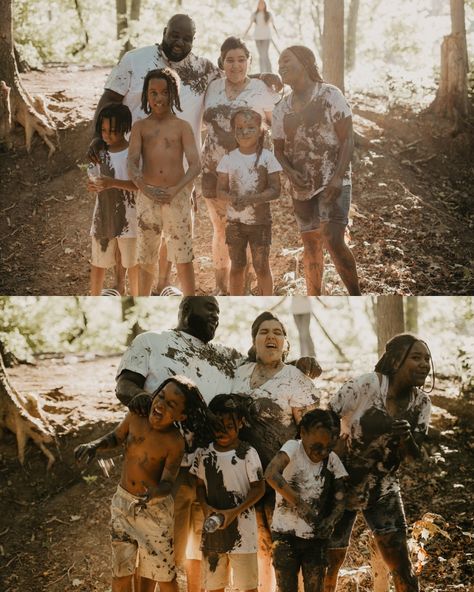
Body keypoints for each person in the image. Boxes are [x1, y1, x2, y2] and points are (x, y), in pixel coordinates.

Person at [115, 298, 320, 592]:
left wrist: (299, 363)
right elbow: (125, 384)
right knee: (159, 550)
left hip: (214, 470)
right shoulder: (152, 341)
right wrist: (140, 399)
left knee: (204, 551)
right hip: (164, 469)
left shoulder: (226, 356)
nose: (216, 317)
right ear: (185, 311)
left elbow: (265, 359)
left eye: (219, 313)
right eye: (209, 310)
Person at [87, 14, 220, 293]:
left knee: (174, 233)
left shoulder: (204, 69)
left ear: (193, 41)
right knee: (130, 226)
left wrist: (261, 80)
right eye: (174, 35)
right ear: (164, 32)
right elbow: (109, 99)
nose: (179, 42)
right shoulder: (135, 60)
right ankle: (122, 288)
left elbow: (233, 81)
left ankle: (165, 286)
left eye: (186, 38)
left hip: (179, 169)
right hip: (132, 163)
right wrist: (99, 138)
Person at [74, 376, 213, 592]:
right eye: (160, 396)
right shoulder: (135, 418)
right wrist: (95, 445)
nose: (161, 405)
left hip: (154, 512)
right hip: (123, 505)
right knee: (121, 571)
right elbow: (116, 437)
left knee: (164, 576)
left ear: (181, 416)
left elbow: (168, 481)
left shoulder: (175, 442)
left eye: (171, 405)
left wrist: (156, 493)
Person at [325, 334, 433, 592]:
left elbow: (414, 458)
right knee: (329, 562)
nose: (424, 365)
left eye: (427, 359)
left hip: (383, 487)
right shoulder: (366, 385)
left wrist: (406, 439)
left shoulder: (422, 404)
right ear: (396, 360)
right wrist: (333, 451)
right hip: (341, 482)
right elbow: (326, 417)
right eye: (416, 357)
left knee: (400, 564)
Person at [231, 311, 321, 592]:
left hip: (282, 477)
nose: (271, 336)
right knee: (255, 545)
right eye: (263, 332)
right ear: (254, 340)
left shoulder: (296, 379)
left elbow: (312, 435)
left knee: (285, 549)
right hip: (244, 478)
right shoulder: (238, 372)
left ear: (285, 343)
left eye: (278, 332)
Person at [272, 46, 361, 296]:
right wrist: (290, 173)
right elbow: (278, 150)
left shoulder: (330, 95)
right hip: (300, 188)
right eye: (279, 63)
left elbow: (348, 140)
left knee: (333, 239)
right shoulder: (281, 109)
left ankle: (355, 294)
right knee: (310, 245)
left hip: (333, 181)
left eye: (286, 60)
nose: (281, 66)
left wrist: (337, 178)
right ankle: (314, 296)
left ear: (306, 62)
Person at [202, 36, 279, 295]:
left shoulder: (260, 89)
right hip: (213, 169)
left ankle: (243, 288)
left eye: (241, 60)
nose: (235, 65)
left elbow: (274, 127)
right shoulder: (212, 87)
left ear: (249, 61)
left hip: (249, 173)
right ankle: (221, 287)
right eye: (230, 60)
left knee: (246, 227)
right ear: (222, 62)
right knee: (221, 227)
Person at [127, 68, 201, 296]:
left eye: (164, 92)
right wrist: (143, 187)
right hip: (147, 196)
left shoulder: (182, 127)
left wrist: (177, 189)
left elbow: (195, 164)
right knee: (146, 256)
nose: (159, 98)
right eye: (153, 93)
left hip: (176, 196)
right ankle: (143, 301)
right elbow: (131, 162)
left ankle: (190, 299)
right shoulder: (140, 127)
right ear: (146, 96)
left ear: (174, 94)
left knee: (183, 254)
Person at [265, 409, 348, 592]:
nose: (322, 452)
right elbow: (271, 474)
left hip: (315, 538)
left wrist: (331, 520)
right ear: (303, 433)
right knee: (286, 587)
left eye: (328, 447)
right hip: (284, 534)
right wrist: (301, 505)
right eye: (317, 446)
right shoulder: (293, 448)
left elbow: (341, 497)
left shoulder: (332, 461)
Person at [191, 394, 265, 592]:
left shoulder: (247, 453)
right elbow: (199, 485)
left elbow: (259, 488)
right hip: (213, 534)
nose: (222, 431)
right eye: (217, 426)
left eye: (229, 426)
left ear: (240, 423)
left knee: (247, 587)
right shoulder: (203, 453)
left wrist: (234, 511)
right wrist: (206, 508)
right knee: (214, 586)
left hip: (243, 533)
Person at [216, 108, 282, 295]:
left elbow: (276, 189)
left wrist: (253, 198)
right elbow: (220, 191)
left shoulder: (268, 158)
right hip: (235, 223)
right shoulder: (228, 158)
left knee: (261, 266)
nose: (244, 132)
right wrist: (233, 198)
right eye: (239, 128)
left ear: (261, 130)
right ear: (233, 130)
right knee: (237, 265)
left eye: (250, 127)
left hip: (260, 222)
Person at [87, 103, 138, 296]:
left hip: (130, 219)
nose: (107, 135)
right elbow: (92, 179)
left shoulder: (132, 153)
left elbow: (139, 186)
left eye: (113, 131)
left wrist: (113, 183)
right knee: (98, 262)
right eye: (104, 130)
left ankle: (136, 297)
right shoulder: (98, 154)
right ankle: (95, 296)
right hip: (104, 216)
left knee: (133, 263)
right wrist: (92, 186)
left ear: (126, 129)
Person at [243, 1, 278, 73]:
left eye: (262, 4)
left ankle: (269, 72)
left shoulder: (268, 14)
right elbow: (250, 25)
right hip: (257, 37)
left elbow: (273, 25)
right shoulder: (254, 14)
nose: (261, 5)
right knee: (261, 55)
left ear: (265, 5)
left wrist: (277, 34)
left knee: (265, 54)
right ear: (257, 5)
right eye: (259, 4)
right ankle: (262, 72)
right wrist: (244, 34)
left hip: (266, 37)